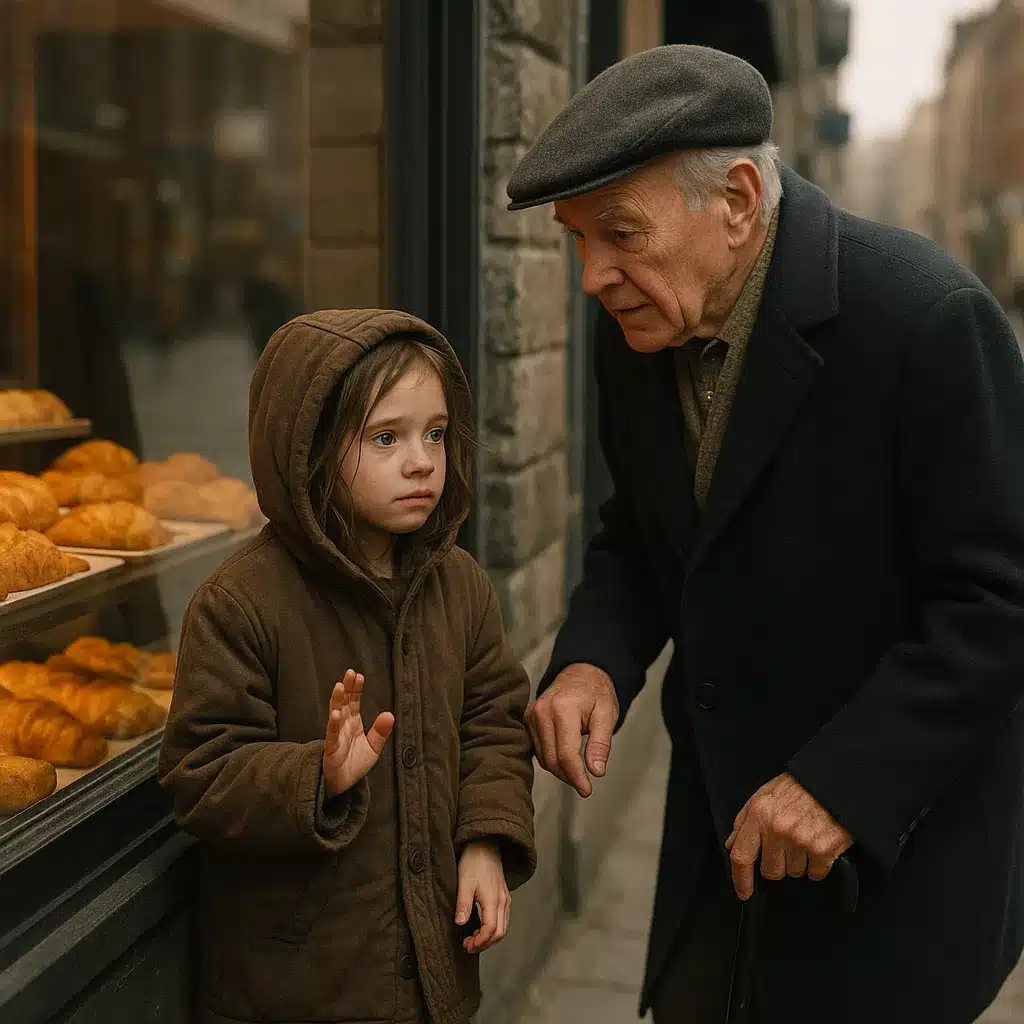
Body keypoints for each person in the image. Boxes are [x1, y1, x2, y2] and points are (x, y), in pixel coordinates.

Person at [509, 44, 1024, 1024]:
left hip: (891, 873)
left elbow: (998, 603)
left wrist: (841, 784)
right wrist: (591, 662)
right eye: (575, 239)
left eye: (619, 233)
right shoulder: (637, 322)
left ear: (739, 200)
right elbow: (641, 535)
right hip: (719, 851)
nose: (591, 277)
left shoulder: (926, 318)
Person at [158, 309, 536, 1024]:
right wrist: (317, 775)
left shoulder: (458, 585)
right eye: (386, 438)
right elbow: (201, 776)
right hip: (300, 988)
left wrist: (484, 840)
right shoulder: (241, 602)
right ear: (310, 450)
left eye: (436, 433)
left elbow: (493, 721)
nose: (421, 461)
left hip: (432, 972)